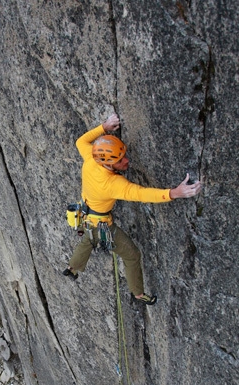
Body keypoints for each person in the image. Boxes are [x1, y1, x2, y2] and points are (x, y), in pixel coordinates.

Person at [63, 113, 202, 305]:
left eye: (124, 156)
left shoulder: (91, 159)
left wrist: (104, 127)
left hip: (87, 215)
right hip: (102, 224)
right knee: (132, 255)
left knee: (88, 239)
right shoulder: (113, 183)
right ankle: (138, 293)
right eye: (120, 160)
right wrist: (174, 193)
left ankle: (72, 268)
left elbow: (81, 142)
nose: (126, 161)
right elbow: (142, 194)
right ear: (108, 163)